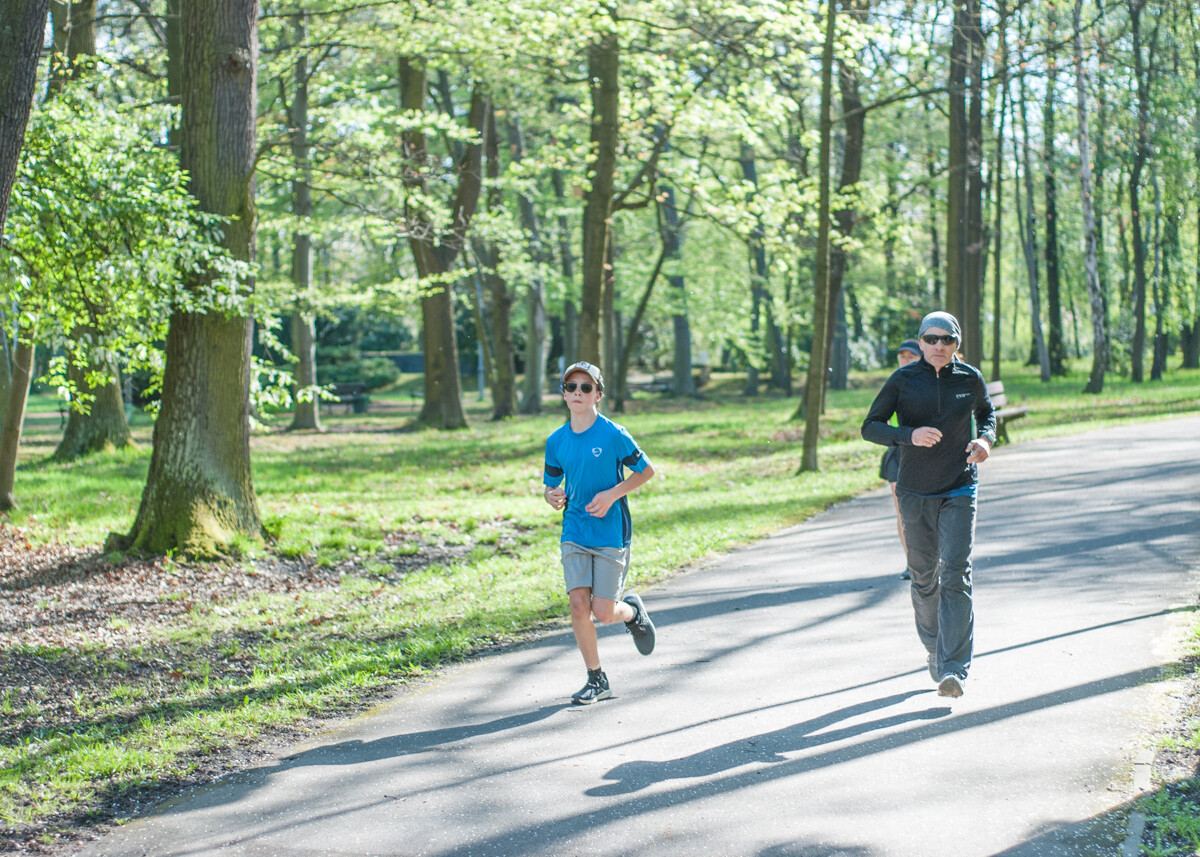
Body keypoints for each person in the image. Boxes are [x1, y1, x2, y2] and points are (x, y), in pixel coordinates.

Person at [861, 312, 995, 699]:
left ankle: (954, 667)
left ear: (957, 344)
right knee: (924, 579)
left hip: (959, 489)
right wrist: (909, 435)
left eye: (947, 340)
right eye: (932, 339)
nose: (939, 346)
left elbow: (987, 415)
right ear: (920, 342)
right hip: (915, 491)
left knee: (955, 573)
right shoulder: (903, 380)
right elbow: (871, 426)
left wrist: (985, 441)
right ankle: (935, 650)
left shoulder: (969, 378)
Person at [543, 361, 657, 704]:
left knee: (604, 613)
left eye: (585, 388)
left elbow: (646, 471)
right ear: (564, 394)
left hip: (610, 531)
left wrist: (612, 494)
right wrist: (552, 495)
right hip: (575, 528)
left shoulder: (613, 434)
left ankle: (633, 612)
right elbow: (550, 485)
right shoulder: (556, 441)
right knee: (579, 604)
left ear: (598, 395)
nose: (577, 392)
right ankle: (597, 679)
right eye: (571, 387)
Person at [879, 339, 922, 581]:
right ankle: (911, 562)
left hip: (924, 453)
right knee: (902, 510)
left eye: (911, 356)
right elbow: (878, 418)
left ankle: (928, 558)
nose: (906, 359)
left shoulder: (928, 382)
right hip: (898, 452)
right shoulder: (894, 383)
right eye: (902, 356)